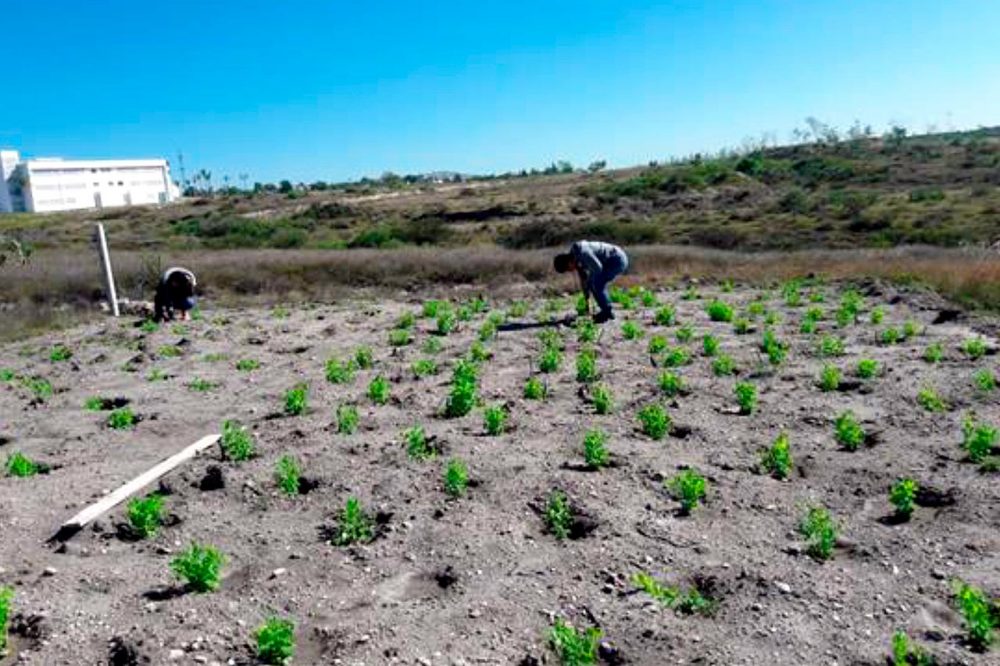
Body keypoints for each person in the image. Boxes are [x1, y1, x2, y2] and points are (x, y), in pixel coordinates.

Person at [553, 241, 630, 323]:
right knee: (593, 283)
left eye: (568, 269)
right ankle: (606, 311)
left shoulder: (583, 253)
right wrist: (587, 301)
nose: (571, 271)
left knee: (597, 283)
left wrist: (590, 281)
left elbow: (598, 268)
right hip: (609, 262)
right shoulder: (576, 259)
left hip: (617, 260)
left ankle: (607, 312)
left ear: (568, 262)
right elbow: (584, 280)